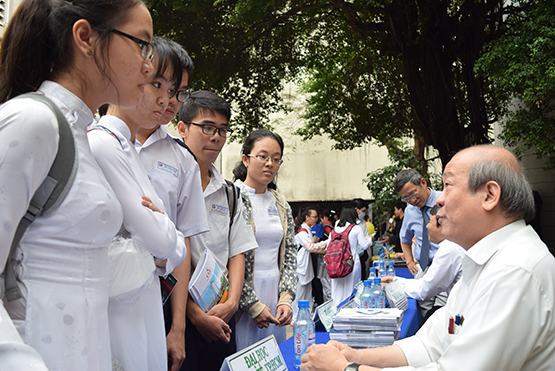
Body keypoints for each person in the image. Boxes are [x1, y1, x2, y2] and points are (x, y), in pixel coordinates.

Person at [301, 145, 555, 371]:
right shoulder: (483, 261)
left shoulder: (515, 270)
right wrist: (354, 354)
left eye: (448, 185)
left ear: (489, 195)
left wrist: (346, 368)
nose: (440, 199)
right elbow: (430, 344)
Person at [0, 1, 154, 369]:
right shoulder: (33, 120)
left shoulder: (78, 133)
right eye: (141, 43)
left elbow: (80, 267)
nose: (149, 64)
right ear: (85, 37)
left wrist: (154, 253)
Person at [88, 42, 187, 370]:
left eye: (171, 89)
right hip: (117, 310)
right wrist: (166, 236)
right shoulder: (102, 144)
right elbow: (161, 242)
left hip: (140, 304)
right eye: (156, 84)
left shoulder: (125, 148)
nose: (165, 99)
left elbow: (173, 252)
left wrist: (165, 238)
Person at [134, 37, 209, 371]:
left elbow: (183, 243)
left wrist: (177, 328)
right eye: (158, 85)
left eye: (179, 92)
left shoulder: (182, 161)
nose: (168, 100)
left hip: (153, 296)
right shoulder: (96, 139)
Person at [176, 90, 257, 370]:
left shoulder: (229, 193)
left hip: (222, 312)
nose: (215, 137)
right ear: (182, 128)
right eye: (207, 127)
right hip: (178, 314)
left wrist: (233, 302)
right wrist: (195, 315)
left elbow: (237, 252)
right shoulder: (166, 185)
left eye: (222, 130)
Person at [232, 129, 298, 350]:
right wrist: (251, 305)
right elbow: (226, 256)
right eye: (263, 156)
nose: (270, 163)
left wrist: (286, 299)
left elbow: (289, 254)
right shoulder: (232, 197)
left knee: (272, 356)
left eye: (276, 159)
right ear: (246, 159)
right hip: (241, 298)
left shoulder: (280, 203)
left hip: (274, 296)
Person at [382, 207, 464, 321]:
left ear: (442, 225)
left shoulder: (449, 249)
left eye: (429, 222)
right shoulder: (453, 245)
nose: (426, 227)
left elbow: (425, 289)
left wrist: (394, 283)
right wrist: (395, 280)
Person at [394, 169, 441, 275]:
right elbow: (405, 240)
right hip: (423, 269)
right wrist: (409, 261)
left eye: (413, 193)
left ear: (423, 182)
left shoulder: (444, 200)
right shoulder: (410, 211)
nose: (412, 200)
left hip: (447, 265)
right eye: (406, 197)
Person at [327, 207, 372, 307]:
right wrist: (369, 239)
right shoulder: (356, 228)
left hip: (336, 264)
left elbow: (328, 246)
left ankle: (335, 311)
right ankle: (349, 310)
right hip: (351, 263)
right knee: (351, 289)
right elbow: (364, 245)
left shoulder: (334, 230)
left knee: (336, 291)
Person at [294, 208, 326, 308]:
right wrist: (326, 247)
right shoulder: (302, 232)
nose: (316, 219)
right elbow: (310, 247)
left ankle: (306, 313)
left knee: (307, 293)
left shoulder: (307, 229)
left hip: (306, 266)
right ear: (307, 217)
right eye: (314, 217)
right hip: (301, 266)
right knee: (300, 294)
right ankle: (295, 316)